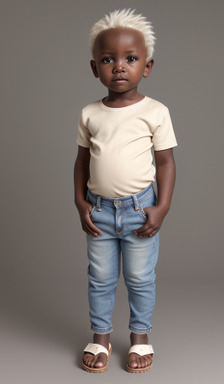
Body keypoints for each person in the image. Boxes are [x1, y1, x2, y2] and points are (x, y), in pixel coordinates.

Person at [74, 9, 177, 373]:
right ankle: (100, 338)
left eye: (130, 59)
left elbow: (164, 162)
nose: (119, 66)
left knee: (139, 278)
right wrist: (80, 202)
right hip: (99, 211)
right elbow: (82, 161)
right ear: (94, 68)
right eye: (108, 59)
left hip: (140, 210)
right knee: (99, 278)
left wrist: (161, 206)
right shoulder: (90, 113)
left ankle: (140, 339)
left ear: (146, 67)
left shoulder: (155, 112)